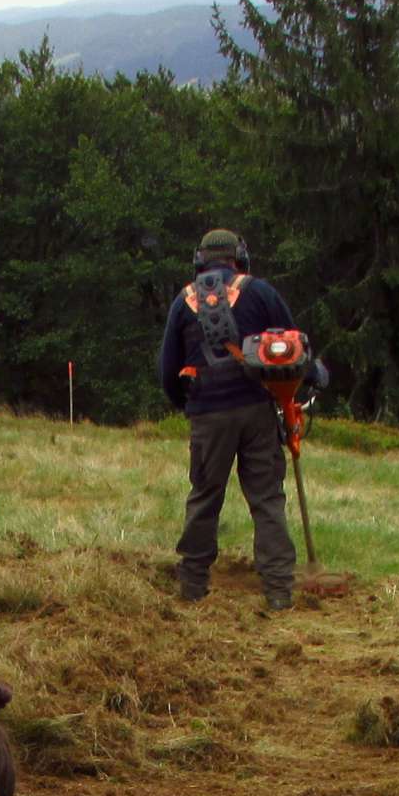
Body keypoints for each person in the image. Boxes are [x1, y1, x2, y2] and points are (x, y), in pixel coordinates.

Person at [158, 226, 312, 613]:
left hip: (207, 414)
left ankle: (193, 584)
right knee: (266, 499)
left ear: (200, 261)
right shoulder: (260, 292)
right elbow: (295, 345)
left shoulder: (184, 302)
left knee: (205, 497)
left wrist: (187, 403)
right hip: (258, 410)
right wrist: (309, 382)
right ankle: (278, 590)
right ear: (239, 257)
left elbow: (167, 369)